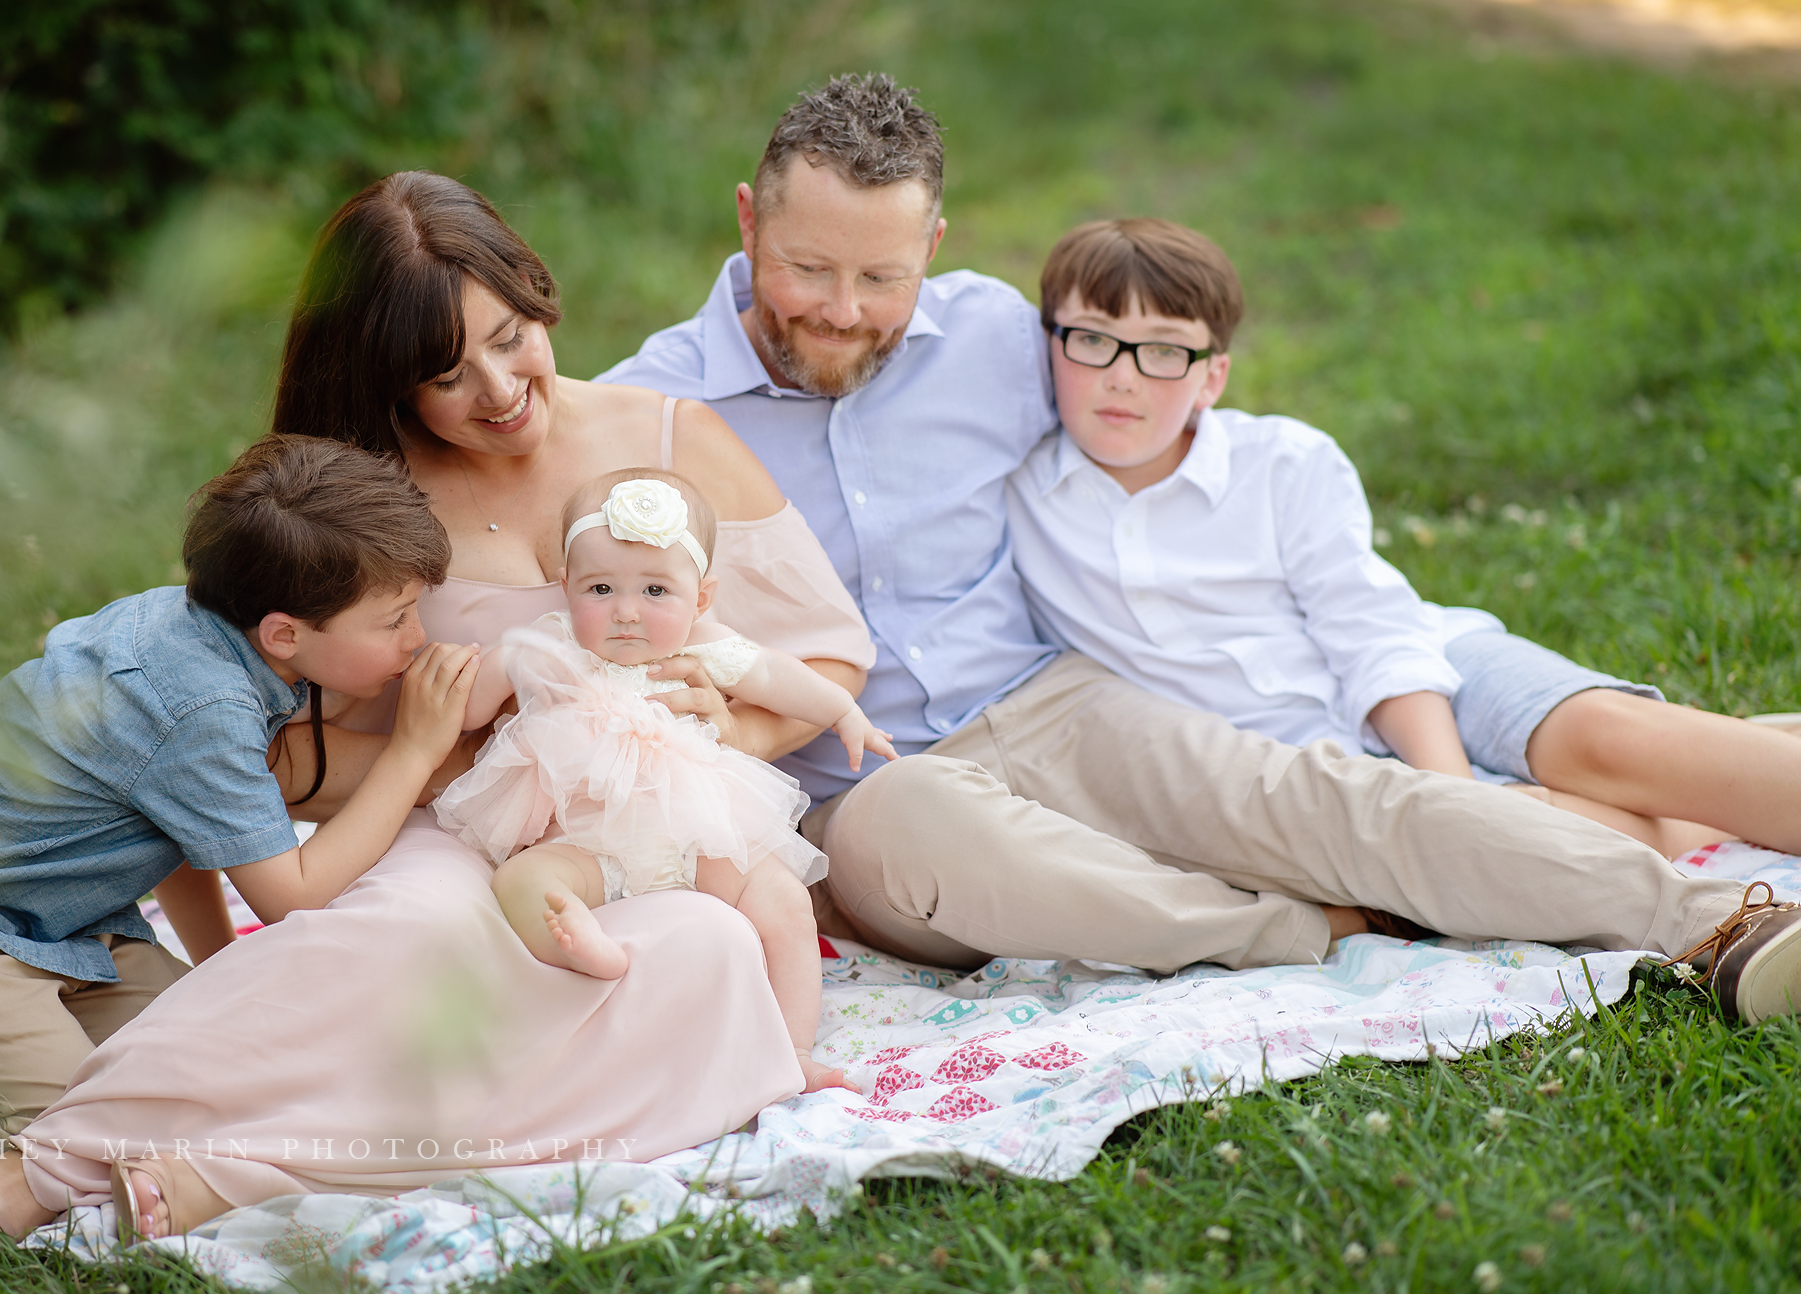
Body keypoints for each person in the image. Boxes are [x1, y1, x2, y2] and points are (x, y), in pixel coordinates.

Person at [601, 73, 1801, 1016]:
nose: (845, 310)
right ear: (749, 220)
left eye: (882, 274)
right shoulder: (644, 417)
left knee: (1313, 799)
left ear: (936, 245)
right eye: (808, 268)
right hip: (860, 788)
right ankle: (1319, 927)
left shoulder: (990, 338)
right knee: (916, 833)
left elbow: (1149, 388)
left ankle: (1708, 920)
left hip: (1054, 706)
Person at [0, 172, 877, 1262]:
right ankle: (29, 1180)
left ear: (538, 299)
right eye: (448, 376)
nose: (501, 388)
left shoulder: (669, 441)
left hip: (648, 844)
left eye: (511, 338)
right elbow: (280, 753)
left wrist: (722, 732)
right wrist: (440, 756)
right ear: (392, 387)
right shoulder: (363, 500)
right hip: (461, 821)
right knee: (402, 945)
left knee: (703, 961)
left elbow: (827, 653)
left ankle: (236, 1164)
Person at [1007, 215, 1801, 863]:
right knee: (1543, 844)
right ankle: (1715, 800)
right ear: (1049, 346)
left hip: (1435, 673)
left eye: (1162, 349)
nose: (1121, 374)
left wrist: (1445, 791)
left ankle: (1717, 765)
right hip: (1318, 772)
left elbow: (1370, 627)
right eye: (1091, 338)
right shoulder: (1016, 492)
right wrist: (1450, 817)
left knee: (1604, 741)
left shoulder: (1282, 461)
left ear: (1212, 374)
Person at [0, 435, 473, 1175]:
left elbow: (184, 832)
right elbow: (290, 894)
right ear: (285, 632)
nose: (418, 637)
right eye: (395, 618)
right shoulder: (202, 700)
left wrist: (221, 975)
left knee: (198, 1070)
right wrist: (412, 751)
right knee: (77, 1129)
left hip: (44, 925)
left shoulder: (209, 636)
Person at [438, 470, 894, 1091]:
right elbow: (474, 701)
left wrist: (842, 712)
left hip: (700, 836)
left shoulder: (707, 647)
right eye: (600, 588)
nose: (626, 612)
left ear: (700, 598)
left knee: (784, 901)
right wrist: (454, 696)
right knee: (523, 880)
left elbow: (776, 675)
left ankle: (794, 1049)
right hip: (590, 842)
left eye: (656, 590)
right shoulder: (551, 643)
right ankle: (581, 944)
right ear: (566, 588)